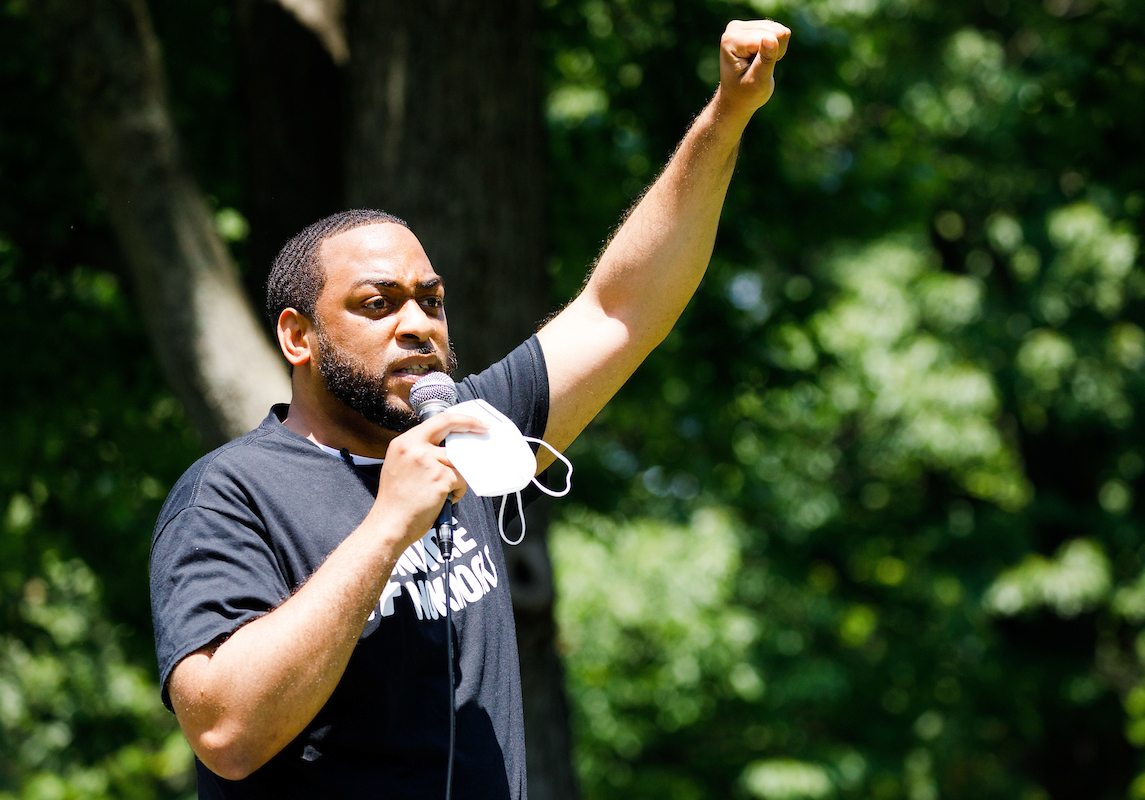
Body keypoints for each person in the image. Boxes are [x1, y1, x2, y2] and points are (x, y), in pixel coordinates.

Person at [150, 19, 791, 800]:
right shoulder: (231, 493)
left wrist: (727, 113)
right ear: (299, 336)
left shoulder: (474, 432)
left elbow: (622, 306)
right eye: (378, 304)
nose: (417, 324)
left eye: (431, 300)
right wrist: (388, 525)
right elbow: (225, 732)